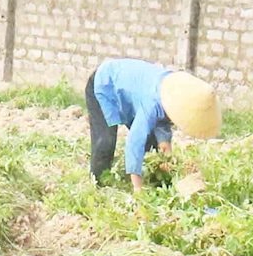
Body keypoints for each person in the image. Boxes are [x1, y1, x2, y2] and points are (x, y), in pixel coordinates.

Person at [85, 59, 221, 192]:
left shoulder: (172, 95)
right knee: (106, 142)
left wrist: (167, 159)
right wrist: (138, 189)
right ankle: (99, 186)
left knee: (152, 145)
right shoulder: (152, 103)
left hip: (131, 91)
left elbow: (163, 125)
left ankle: (154, 182)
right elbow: (134, 142)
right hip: (104, 84)